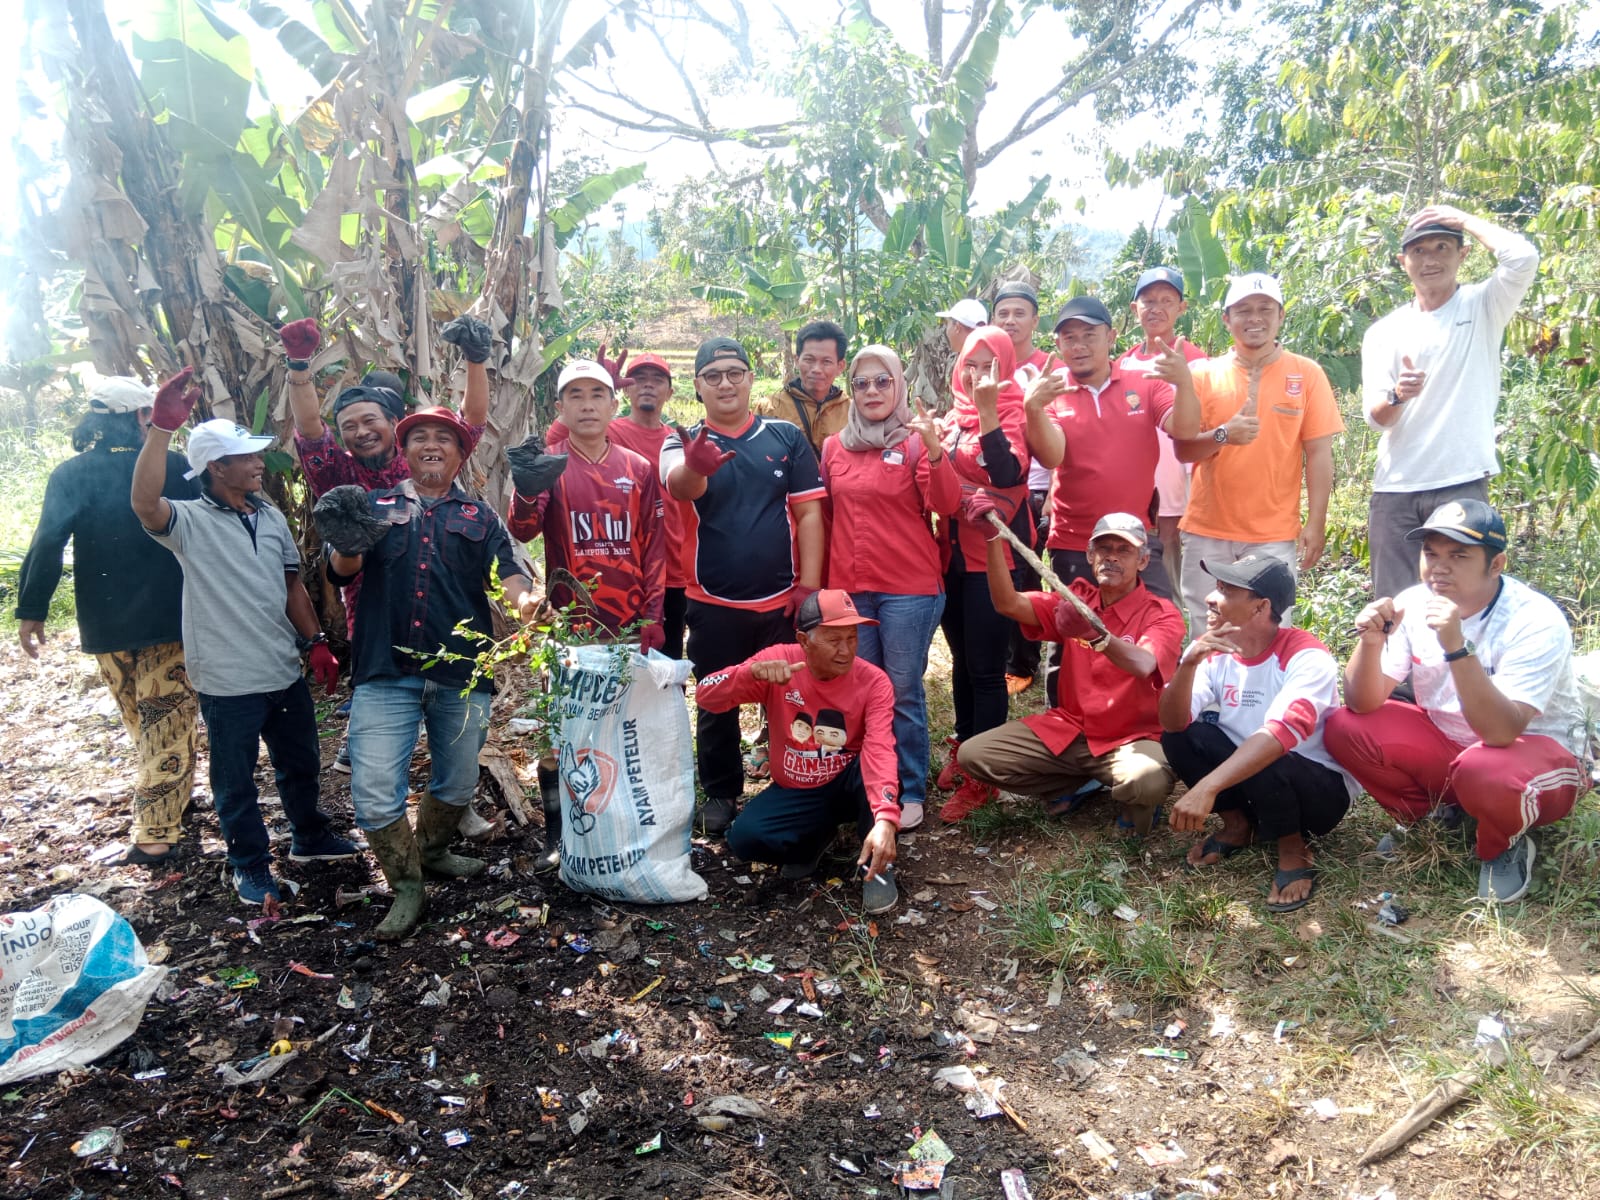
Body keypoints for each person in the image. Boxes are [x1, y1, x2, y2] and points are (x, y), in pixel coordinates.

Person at [131, 371, 358, 907]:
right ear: (217, 467)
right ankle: (250, 864)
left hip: (281, 667)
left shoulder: (270, 514)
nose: (259, 463)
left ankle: (309, 836)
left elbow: (290, 585)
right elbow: (145, 504)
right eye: (247, 457)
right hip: (227, 678)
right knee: (235, 782)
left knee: (301, 762)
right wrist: (161, 430)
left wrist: (315, 641)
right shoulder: (186, 521)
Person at [323, 406, 541, 940]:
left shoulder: (481, 518)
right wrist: (350, 543)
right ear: (405, 450)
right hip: (385, 668)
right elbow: (339, 568)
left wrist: (528, 602)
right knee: (375, 787)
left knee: (460, 777)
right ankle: (406, 885)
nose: (431, 445)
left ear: (461, 454)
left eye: (444, 438)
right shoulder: (374, 505)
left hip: (461, 672)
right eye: (418, 437)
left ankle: (435, 850)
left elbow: (506, 573)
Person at [1325, 500, 1587, 903]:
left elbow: (1501, 732)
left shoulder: (1535, 620)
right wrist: (1371, 642)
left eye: (1459, 556)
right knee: (1345, 727)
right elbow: (1362, 703)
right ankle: (1437, 818)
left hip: (1532, 756)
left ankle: (1504, 842)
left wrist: (1456, 647)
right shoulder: (1413, 602)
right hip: (1454, 748)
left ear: (1496, 564)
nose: (1439, 567)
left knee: (1485, 768)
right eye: (1431, 553)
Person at [280, 313, 494, 782]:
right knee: (384, 679)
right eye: (349, 425)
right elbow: (310, 428)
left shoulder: (421, 452)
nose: (360, 431)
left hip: (441, 588)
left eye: (369, 420)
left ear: (394, 424)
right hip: (370, 595)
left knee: (446, 693)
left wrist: (476, 359)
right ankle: (364, 757)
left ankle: (453, 792)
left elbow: (472, 422)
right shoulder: (335, 470)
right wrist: (299, 366)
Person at [15, 378, 199, 865]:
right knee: (166, 722)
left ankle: (161, 821)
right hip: (169, 617)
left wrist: (31, 609)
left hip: (105, 621)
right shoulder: (176, 466)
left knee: (146, 723)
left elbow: (48, 541)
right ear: (143, 417)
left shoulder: (70, 474)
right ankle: (163, 820)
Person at [660, 337, 826, 833]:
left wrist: (809, 588)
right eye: (713, 375)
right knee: (716, 697)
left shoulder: (786, 438)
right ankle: (721, 791)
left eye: (735, 372)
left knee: (790, 696)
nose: (725, 382)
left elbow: (809, 513)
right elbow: (678, 484)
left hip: (780, 600)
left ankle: (790, 779)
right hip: (712, 601)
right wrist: (696, 466)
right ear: (697, 386)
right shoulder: (683, 441)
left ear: (752, 378)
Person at [955, 510, 1185, 833]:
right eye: (1104, 549)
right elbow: (1008, 603)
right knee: (973, 755)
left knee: (1146, 782)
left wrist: (1096, 636)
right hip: (1071, 732)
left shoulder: (1163, 615)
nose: (1112, 558)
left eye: (1124, 550)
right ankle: (1081, 780)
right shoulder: (1076, 599)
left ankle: (1119, 791)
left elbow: (1144, 663)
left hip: (1132, 738)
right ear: (1090, 556)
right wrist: (993, 540)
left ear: (1143, 561)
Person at [1157, 556, 1355, 913]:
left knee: (1267, 752)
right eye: (1217, 588)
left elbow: (1282, 733)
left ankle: (1293, 846)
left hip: (1315, 793)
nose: (1210, 599)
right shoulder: (1212, 649)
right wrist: (1187, 665)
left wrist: (1206, 787)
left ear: (1261, 607)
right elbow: (1172, 722)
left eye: (1227, 591)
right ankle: (1238, 825)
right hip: (1254, 780)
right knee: (1180, 738)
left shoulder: (1306, 654)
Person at [1361, 207, 1539, 601]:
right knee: (1394, 604)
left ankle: (1466, 665)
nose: (1431, 259)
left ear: (1463, 254)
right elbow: (1376, 418)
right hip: (1396, 488)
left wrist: (1465, 220)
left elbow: (1523, 257)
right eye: (1419, 250)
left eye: (1443, 247)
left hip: (1461, 481)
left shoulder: (1483, 306)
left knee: (1464, 598)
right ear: (1403, 261)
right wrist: (1398, 396)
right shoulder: (1383, 332)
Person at [821, 345, 960, 830]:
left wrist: (938, 451)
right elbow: (829, 517)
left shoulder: (917, 442)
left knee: (900, 690)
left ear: (898, 385)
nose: (873, 391)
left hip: (908, 587)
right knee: (859, 689)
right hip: (851, 590)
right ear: (852, 391)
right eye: (862, 383)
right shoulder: (835, 447)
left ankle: (910, 787)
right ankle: (868, 785)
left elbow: (947, 503)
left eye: (883, 381)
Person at [696, 590, 901, 914]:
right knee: (744, 839)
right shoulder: (779, 661)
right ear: (804, 640)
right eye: (834, 640)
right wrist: (747, 675)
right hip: (798, 789)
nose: (846, 650)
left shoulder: (873, 681)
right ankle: (814, 841)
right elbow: (706, 695)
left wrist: (886, 820)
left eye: (852, 637)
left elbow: (880, 749)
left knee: (872, 769)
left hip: (849, 781)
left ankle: (876, 868)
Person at [1173, 274, 1343, 632]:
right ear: (1226, 319)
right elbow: (1184, 449)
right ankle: (1209, 690)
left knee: (1269, 627)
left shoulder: (1306, 374)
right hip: (1208, 529)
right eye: (1243, 310)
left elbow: (1319, 453)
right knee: (1207, 627)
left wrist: (1316, 521)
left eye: (1265, 309)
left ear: (1280, 315)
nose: (1255, 318)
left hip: (1273, 533)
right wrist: (1223, 435)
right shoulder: (1202, 374)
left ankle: (1266, 691)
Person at [933, 326, 1036, 822]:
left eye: (987, 365)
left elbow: (1006, 473)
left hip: (993, 562)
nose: (975, 375)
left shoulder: (1013, 413)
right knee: (960, 661)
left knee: (987, 668)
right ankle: (966, 745)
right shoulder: (952, 418)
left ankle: (985, 776)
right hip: (952, 556)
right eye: (969, 365)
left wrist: (990, 408)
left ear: (1005, 367)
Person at [543, 348, 687, 657]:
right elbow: (558, 441)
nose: (647, 384)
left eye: (657, 379)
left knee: (662, 668)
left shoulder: (678, 438)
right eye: (639, 378)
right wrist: (594, 387)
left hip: (673, 570)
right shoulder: (609, 429)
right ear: (624, 389)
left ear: (670, 391)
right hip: (622, 576)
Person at [1119, 266, 1209, 602]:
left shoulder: (1197, 362)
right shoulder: (1124, 364)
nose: (1156, 308)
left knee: (1177, 556)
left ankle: (1179, 632)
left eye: (1166, 301)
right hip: (1138, 482)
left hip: (1181, 481)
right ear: (1135, 308)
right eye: (1148, 300)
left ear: (1181, 308)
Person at [993, 280, 1052, 696]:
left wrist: (1055, 488)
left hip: (1038, 489)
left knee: (1029, 576)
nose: (1011, 321)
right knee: (1001, 575)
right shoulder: (989, 363)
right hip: (998, 490)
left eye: (1019, 313)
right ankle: (1001, 654)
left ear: (1034, 319)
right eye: (1003, 313)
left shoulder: (1050, 368)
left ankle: (1025, 661)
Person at [749, 320, 850, 457]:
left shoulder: (852, 412)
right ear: (797, 360)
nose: (816, 369)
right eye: (809, 360)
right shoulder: (769, 408)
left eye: (826, 362)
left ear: (840, 366)